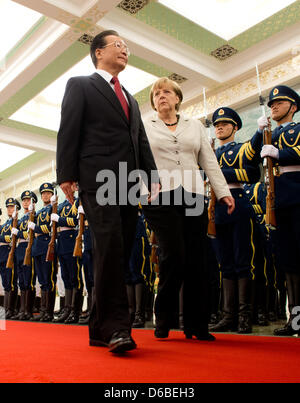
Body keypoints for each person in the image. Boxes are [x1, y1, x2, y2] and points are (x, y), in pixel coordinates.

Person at [56, 30, 160, 354]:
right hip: (98, 179)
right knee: (110, 246)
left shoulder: (129, 97)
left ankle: (99, 329)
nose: (125, 50)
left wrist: (151, 178)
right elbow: (68, 128)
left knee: (119, 249)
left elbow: (139, 140)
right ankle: (118, 328)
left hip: (128, 183)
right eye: (118, 45)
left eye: (127, 46)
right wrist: (66, 174)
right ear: (98, 52)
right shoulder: (81, 85)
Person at [142, 77, 234, 341]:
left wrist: (223, 192)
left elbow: (209, 161)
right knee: (174, 254)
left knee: (197, 259)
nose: (161, 96)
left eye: (166, 91)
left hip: (193, 195)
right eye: (156, 93)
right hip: (158, 197)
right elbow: (135, 158)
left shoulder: (194, 125)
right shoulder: (145, 126)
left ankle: (196, 324)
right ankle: (165, 317)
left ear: (177, 98)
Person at [209, 107, 262, 334]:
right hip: (218, 209)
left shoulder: (240, 149)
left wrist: (220, 174)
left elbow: (252, 173)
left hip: (238, 206)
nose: (219, 127)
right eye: (217, 125)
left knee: (243, 262)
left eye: (225, 124)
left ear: (235, 127)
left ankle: (244, 316)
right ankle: (228, 315)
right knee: (225, 263)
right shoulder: (210, 154)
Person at [258, 85, 300, 336]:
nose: (273, 106)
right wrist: (260, 133)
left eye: (280, 103)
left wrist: (280, 153)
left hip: (298, 197)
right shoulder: (269, 134)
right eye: (272, 104)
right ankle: (295, 320)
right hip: (279, 201)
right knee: (289, 264)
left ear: (293, 107)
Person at [28, 183, 57, 322]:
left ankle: (49, 312)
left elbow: (51, 229)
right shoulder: (39, 212)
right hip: (37, 248)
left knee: (49, 279)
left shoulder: (54, 208)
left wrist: (36, 228)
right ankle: (43, 310)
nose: (45, 195)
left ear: (52, 194)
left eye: (48, 193)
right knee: (42, 280)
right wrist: (31, 214)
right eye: (43, 193)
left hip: (47, 246)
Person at [52, 197, 83, 324]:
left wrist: (60, 219)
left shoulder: (77, 202)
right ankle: (67, 309)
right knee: (66, 278)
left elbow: (76, 221)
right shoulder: (60, 206)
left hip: (72, 242)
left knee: (75, 277)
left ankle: (75, 310)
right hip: (62, 243)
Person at [12, 191, 38, 320]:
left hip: (29, 248)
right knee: (21, 281)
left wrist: (19, 234)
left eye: (28, 200)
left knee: (29, 280)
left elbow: (31, 235)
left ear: (33, 202)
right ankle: (22, 309)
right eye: (24, 200)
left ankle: (28, 310)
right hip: (20, 249)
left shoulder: (35, 216)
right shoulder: (21, 218)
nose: (26, 202)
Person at [0, 198, 20, 319]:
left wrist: (3, 238)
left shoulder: (16, 222)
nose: (9, 209)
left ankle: (11, 309)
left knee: (11, 282)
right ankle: (7, 309)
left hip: (10, 254)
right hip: (2, 255)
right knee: (5, 283)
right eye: (8, 207)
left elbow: (11, 238)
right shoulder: (5, 224)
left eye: (12, 207)